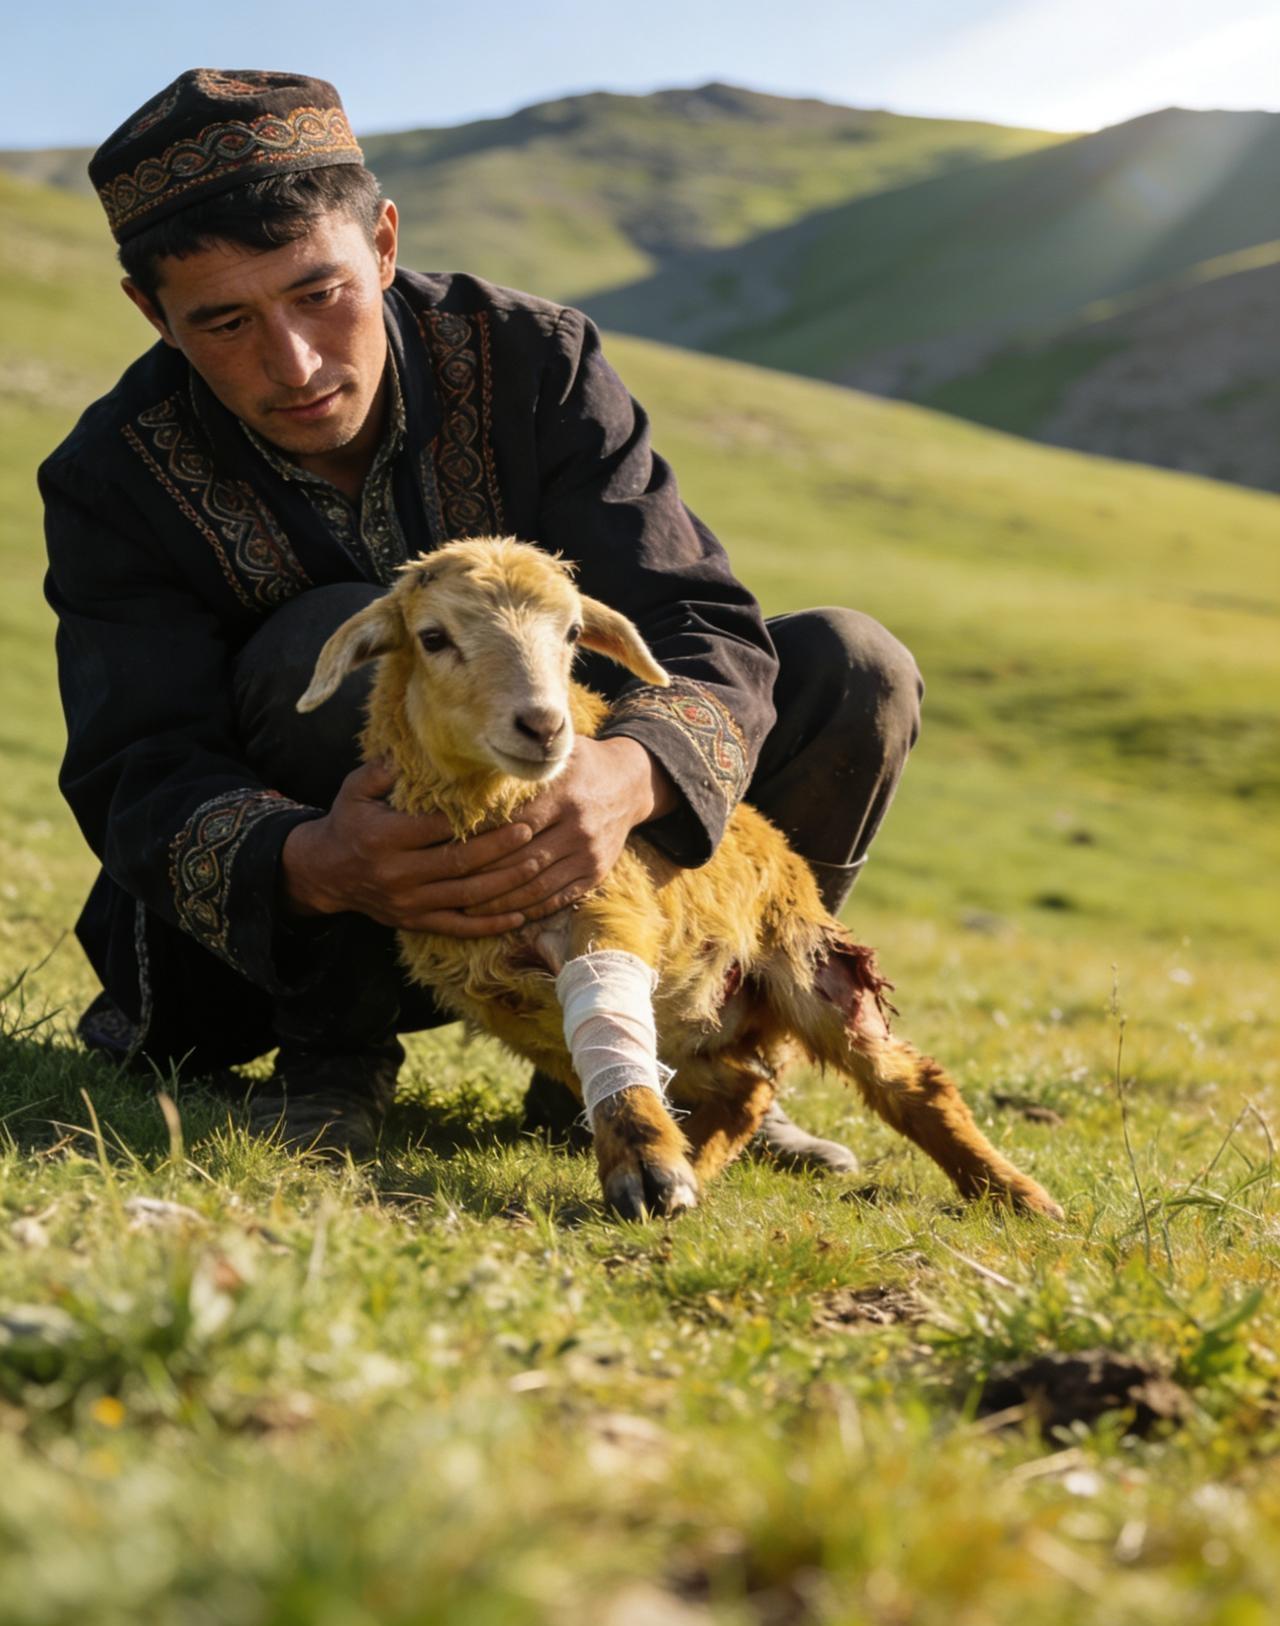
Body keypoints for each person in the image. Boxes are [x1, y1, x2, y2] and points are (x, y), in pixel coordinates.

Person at [41, 69, 922, 1164]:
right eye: (224, 321)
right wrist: (313, 858)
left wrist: (635, 774)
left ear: (385, 243)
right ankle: (333, 1065)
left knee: (850, 666)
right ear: (151, 314)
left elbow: (690, 614)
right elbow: (136, 763)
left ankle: (667, 1060)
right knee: (344, 637)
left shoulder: (532, 360)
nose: (295, 364)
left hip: (583, 891)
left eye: (321, 293)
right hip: (292, 940)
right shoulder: (111, 475)